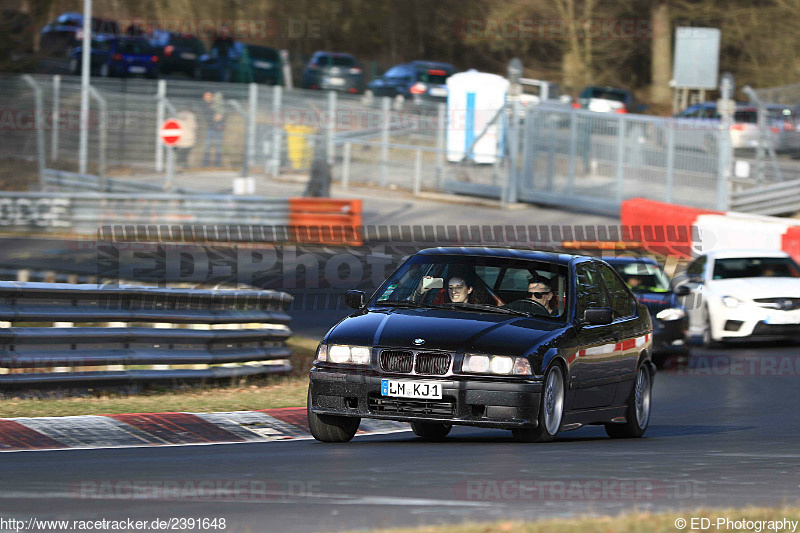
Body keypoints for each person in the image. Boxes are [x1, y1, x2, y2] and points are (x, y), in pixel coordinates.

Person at [201, 91, 225, 167]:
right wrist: (213, 118)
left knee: (218, 145)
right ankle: (205, 162)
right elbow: (206, 116)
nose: (206, 98)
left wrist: (220, 120)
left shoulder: (218, 104)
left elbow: (223, 113)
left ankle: (218, 163)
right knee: (208, 145)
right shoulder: (205, 105)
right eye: (205, 96)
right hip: (211, 126)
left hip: (219, 126)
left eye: (208, 96)